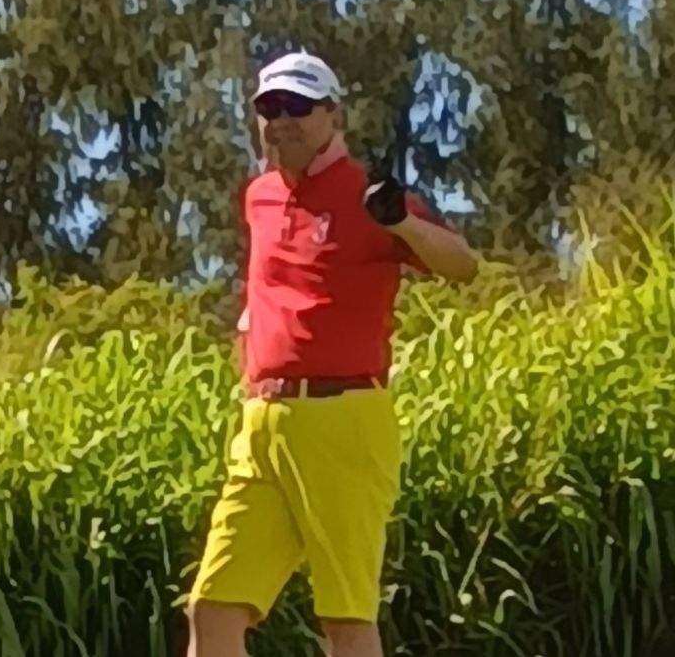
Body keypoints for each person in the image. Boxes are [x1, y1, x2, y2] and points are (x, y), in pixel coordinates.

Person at [184, 51, 478, 657]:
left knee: (344, 620)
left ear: (333, 115)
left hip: (343, 420)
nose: (281, 120)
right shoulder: (260, 197)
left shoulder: (368, 195)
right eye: (269, 107)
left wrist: (400, 224)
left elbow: (463, 266)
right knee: (212, 609)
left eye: (297, 106)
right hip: (262, 424)